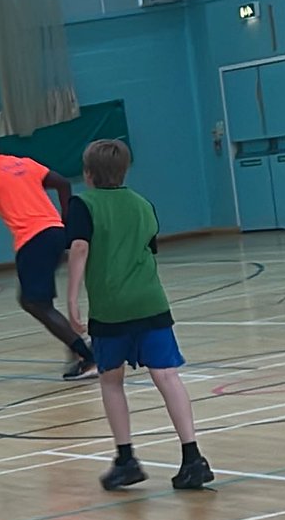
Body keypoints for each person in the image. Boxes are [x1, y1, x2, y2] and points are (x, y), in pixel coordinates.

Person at [65, 139, 214, 491]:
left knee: (111, 380)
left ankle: (126, 458)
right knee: (167, 376)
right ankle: (193, 457)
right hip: (151, 303)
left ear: (87, 174)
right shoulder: (143, 204)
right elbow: (149, 248)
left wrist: (71, 299)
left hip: (111, 308)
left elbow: (80, 247)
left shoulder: (82, 205)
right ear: (125, 170)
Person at [0, 129, 98, 380]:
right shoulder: (23, 163)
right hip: (55, 233)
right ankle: (76, 345)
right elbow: (63, 183)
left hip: (33, 239)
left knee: (33, 302)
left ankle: (87, 355)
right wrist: (65, 219)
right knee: (38, 300)